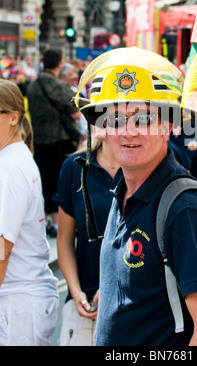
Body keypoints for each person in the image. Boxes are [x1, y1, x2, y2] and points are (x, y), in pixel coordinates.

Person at [75, 47, 197, 346]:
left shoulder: (185, 208)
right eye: (115, 118)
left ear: (169, 125)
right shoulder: (123, 191)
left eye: (144, 118)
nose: (128, 131)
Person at [0, 79, 58, 346]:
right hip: (22, 298)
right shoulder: (16, 157)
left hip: (17, 302)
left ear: (13, 117)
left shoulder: (9, 169)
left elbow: (3, 246)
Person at [54, 128, 121, 346]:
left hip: (135, 306)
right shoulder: (74, 167)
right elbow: (64, 239)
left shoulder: (145, 167)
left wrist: (112, 286)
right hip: (85, 306)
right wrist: (76, 293)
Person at [27, 49, 81, 237]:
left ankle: (47, 220)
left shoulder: (33, 85)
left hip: (38, 141)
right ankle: (60, 225)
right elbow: (76, 113)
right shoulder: (59, 86)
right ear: (59, 64)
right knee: (60, 183)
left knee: (44, 181)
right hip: (60, 141)